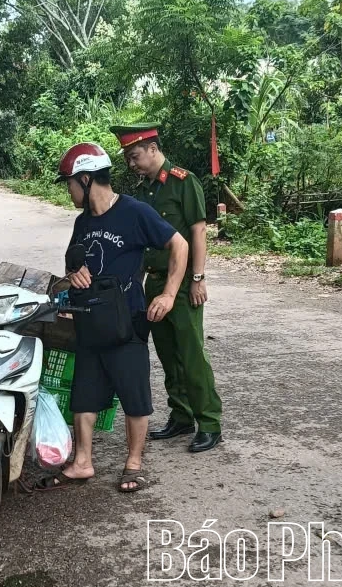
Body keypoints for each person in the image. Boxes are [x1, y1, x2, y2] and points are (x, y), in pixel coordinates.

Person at [36, 142, 189, 493]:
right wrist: (74, 273)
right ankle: (82, 462)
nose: (69, 191)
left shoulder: (134, 212)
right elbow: (72, 263)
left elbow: (179, 244)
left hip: (127, 319)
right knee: (84, 395)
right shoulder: (83, 222)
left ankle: (133, 463)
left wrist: (168, 294)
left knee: (134, 394)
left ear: (85, 179)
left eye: (70, 183)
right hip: (89, 319)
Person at [109, 123, 223, 453]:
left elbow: (198, 232)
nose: (131, 163)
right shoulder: (144, 191)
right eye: (128, 158)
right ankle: (181, 415)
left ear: (153, 149)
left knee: (191, 354)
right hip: (154, 282)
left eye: (134, 156)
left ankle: (209, 422)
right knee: (168, 354)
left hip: (184, 284)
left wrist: (198, 278)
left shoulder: (184, 183)